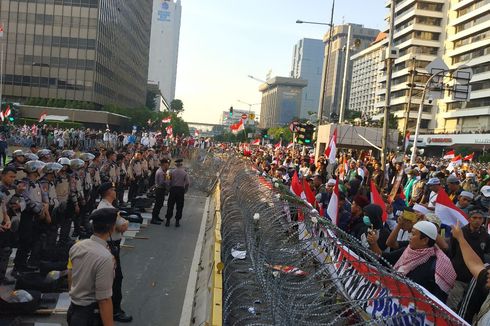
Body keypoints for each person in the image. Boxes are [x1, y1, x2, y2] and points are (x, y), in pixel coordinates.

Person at [67, 208, 118, 326]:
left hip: (74, 310)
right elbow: (104, 300)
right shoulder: (105, 258)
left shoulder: (77, 246)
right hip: (90, 316)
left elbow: (70, 275)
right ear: (112, 228)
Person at [96, 182, 132, 323]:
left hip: (106, 244)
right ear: (109, 192)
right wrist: (127, 223)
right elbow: (122, 226)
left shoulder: (104, 206)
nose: (115, 191)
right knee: (116, 278)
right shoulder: (108, 209)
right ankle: (115, 310)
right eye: (113, 189)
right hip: (111, 245)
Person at [447, 210, 490, 315]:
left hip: (475, 280)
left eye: (480, 218)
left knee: (467, 309)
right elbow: (452, 251)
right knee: (452, 307)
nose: (477, 221)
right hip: (459, 278)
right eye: (474, 218)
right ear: (469, 219)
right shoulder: (460, 233)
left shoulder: (486, 237)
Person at [165, 158, 190, 227]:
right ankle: (177, 221)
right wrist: (185, 190)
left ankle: (168, 220)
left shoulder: (170, 172)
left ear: (175, 165)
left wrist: (168, 189)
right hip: (180, 190)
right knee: (179, 206)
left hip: (173, 189)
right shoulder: (185, 173)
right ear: (181, 165)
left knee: (170, 205)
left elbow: (167, 182)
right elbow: (188, 183)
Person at [151, 158, 170, 225]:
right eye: (167, 164)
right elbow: (162, 182)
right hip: (160, 189)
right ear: (164, 164)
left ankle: (156, 216)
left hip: (161, 189)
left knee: (160, 203)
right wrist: (168, 177)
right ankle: (154, 219)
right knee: (158, 204)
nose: (168, 165)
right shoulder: (161, 172)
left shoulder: (162, 171)